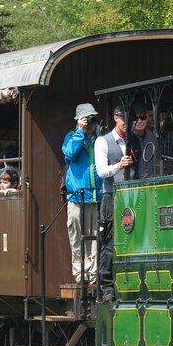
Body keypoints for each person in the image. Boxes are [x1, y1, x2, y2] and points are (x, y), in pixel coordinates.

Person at [95, 107, 134, 301]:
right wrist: (119, 165)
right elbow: (101, 171)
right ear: (116, 118)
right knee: (109, 243)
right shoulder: (103, 141)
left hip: (133, 195)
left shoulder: (135, 140)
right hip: (111, 195)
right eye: (125, 119)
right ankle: (107, 288)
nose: (129, 123)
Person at [62, 103, 102, 285]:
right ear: (78, 120)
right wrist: (80, 131)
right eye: (86, 118)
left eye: (91, 118)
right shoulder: (71, 137)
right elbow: (70, 154)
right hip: (76, 196)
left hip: (96, 195)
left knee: (95, 235)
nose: (89, 122)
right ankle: (80, 274)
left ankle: (94, 274)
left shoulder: (100, 137)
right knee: (77, 235)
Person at [128, 106, 157, 179]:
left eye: (143, 117)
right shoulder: (126, 139)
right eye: (135, 118)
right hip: (132, 184)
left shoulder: (152, 137)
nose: (140, 121)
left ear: (147, 117)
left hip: (151, 182)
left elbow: (157, 159)